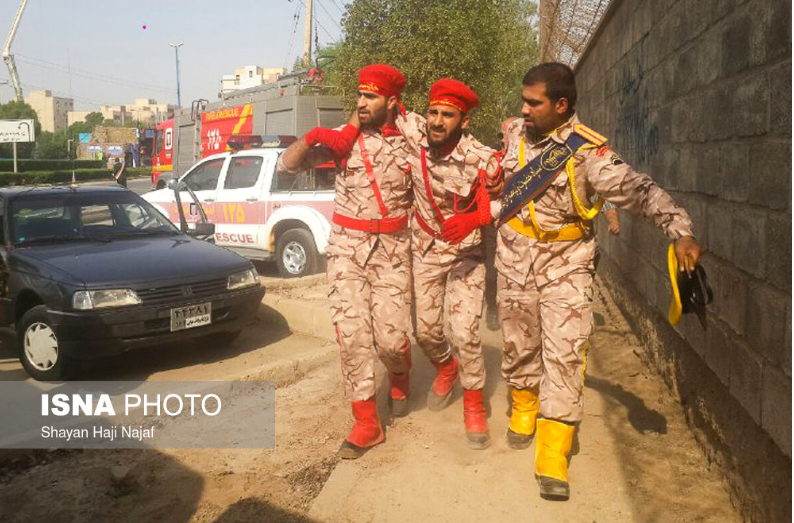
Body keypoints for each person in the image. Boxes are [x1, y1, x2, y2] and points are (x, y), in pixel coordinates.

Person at [494, 63, 701, 500]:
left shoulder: (588, 153)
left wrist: (679, 229)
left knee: (566, 350)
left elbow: (638, 189)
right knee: (518, 341)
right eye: (524, 100)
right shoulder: (514, 131)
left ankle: (553, 450)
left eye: (534, 102)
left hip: (565, 261)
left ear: (562, 105)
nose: (523, 109)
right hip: (513, 258)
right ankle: (525, 406)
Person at [278, 64, 413, 460]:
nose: (361, 102)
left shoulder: (411, 137)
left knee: (390, 338)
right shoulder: (343, 140)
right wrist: (312, 136)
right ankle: (366, 421)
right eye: (359, 95)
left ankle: (400, 371)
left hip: (392, 250)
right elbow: (287, 166)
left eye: (370, 97)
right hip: (346, 249)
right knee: (351, 334)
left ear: (391, 101)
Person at [396, 79, 502, 449]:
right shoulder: (415, 134)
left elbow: (509, 200)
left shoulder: (482, 158)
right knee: (425, 331)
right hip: (425, 249)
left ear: (465, 121)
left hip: (465, 256)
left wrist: (476, 219)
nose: (437, 122)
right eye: (433, 112)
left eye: (448, 115)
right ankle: (446, 368)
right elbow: (386, 101)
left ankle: (474, 406)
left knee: (466, 333)